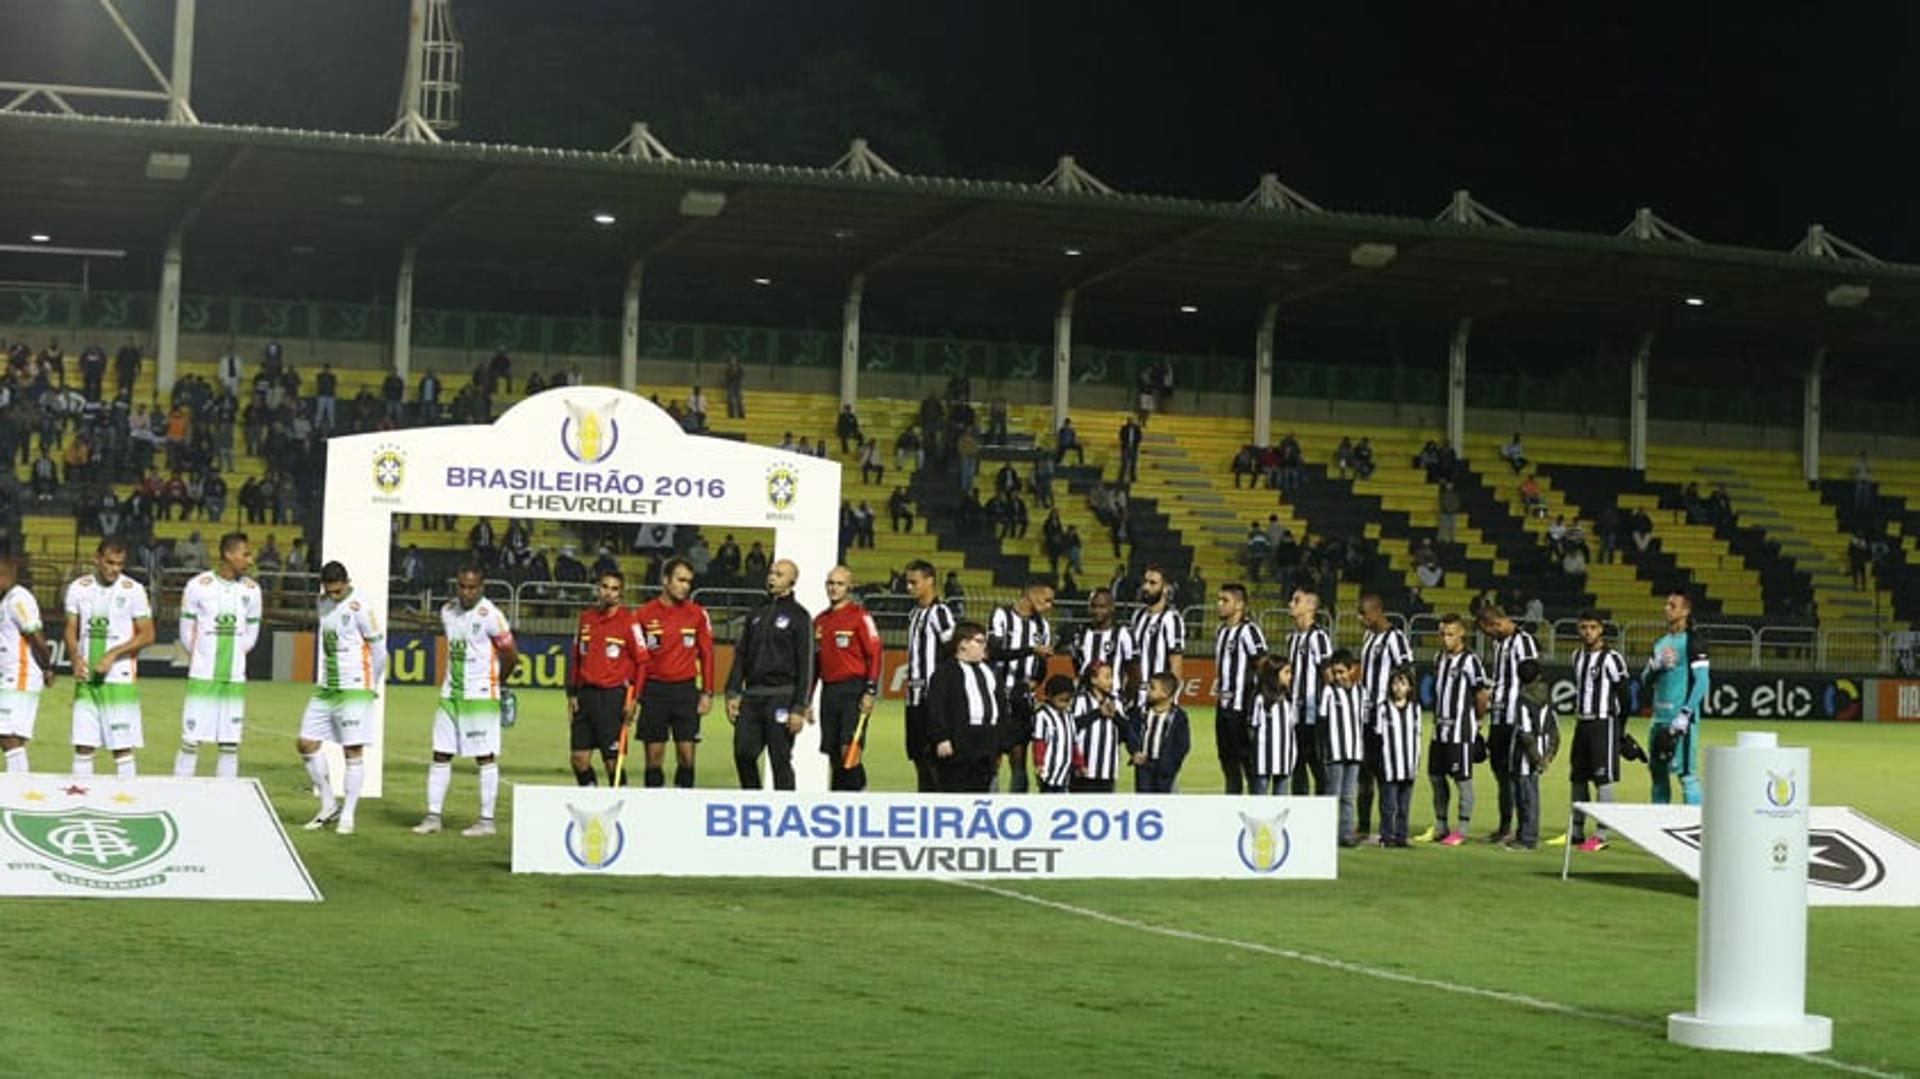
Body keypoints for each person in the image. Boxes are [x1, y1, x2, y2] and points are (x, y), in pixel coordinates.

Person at [412, 565, 519, 837]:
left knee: (484, 756)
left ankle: (486, 821)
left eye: (472, 587)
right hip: (450, 693)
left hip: (480, 694)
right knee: (440, 753)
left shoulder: (491, 615)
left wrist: (497, 682)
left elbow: (510, 654)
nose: (467, 591)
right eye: (462, 586)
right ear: (456, 585)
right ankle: (433, 817)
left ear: (481, 587)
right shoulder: (447, 611)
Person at [298, 561, 387, 834]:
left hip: (354, 687)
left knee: (352, 750)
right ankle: (328, 804)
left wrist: (372, 686)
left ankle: (348, 814)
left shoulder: (361, 607)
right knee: (305, 743)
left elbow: (379, 652)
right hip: (327, 686)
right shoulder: (322, 602)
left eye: (338, 591)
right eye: (330, 591)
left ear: (347, 582)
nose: (334, 596)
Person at [173, 532, 264, 778]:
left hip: (233, 678)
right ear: (228, 554)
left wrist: (235, 655)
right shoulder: (198, 586)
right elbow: (186, 632)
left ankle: (226, 800)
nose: (250, 560)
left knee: (229, 745)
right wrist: (204, 655)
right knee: (191, 741)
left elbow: (251, 635)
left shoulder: (252, 590)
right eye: (245, 554)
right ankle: (179, 797)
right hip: (203, 677)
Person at [66, 537, 155, 778]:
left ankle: (127, 803)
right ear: (97, 559)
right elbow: (70, 629)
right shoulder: (79, 587)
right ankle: (82, 799)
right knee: (83, 747)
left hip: (119, 680)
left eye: (120, 564)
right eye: (110, 563)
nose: (115, 569)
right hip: (86, 681)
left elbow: (147, 635)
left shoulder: (133, 590)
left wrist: (112, 654)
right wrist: (75, 658)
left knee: (121, 748)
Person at [726, 559, 813, 790]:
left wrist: (798, 707)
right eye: (771, 572)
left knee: (780, 759)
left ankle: (785, 810)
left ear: (792, 582)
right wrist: (733, 691)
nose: (772, 577)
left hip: (782, 696)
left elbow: (806, 664)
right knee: (743, 753)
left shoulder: (799, 616)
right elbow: (741, 654)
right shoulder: (756, 613)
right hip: (752, 696)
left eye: (779, 574)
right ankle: (752, 800)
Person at [633, 558, 715, 789]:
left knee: (687, 755)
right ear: (665, 580)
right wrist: (635, 696)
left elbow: (707, 654)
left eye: (689, 581)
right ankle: (654, 806)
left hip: (686, 691)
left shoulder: (698, 614)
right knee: (654, 757)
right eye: (680, 580)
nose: (686, 586)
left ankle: (684, 807)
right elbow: (637, 660)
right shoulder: (643, 615)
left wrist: (707, 692)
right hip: (654, 691)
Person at [566, 569, 648, 787]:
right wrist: (572, 693)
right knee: (579, 759)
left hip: (612, 697)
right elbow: (576, 657)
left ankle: (621, 807)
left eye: (614, 589)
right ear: (597, 589)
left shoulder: (629, 622)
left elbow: (642, 662)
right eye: (604, 587)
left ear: (621, 593)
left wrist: (634, 700)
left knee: (613, 763)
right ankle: (593, 802)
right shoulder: (585, 619)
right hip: (585, 696)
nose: (608, 593)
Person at [1420, 614, 1487, 846]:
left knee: (1462, 779)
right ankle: (1440, 825)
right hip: (1439, 731)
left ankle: (1462, 829)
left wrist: (1478, 720)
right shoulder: (1439, 657)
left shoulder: (1470, 660)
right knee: (1435, 777)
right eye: (1442, 633)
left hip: (1460, 730)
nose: (1445, 638)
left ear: (1461, 634)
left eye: (1449, 634)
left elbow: (1481, 694)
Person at [1562, 610, 1627, 851]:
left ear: (1601, 629)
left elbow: (1624, 693)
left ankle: (1601, 835)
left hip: (1604, 723)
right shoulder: (1576, 655)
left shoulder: (1612, 658)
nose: (1587, 632)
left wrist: (1621, 727)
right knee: (1577, 778)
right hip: (1582, 723)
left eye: (1592, 627)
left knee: (1603, 779)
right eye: (1583, 627)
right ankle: (1577, 831)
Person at [813, 565, 882, 791]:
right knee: (833, 753)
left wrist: (870, 690)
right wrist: (807, 699)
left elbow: (875, 653)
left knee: (849, 750)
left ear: (849, 587)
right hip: (829, 691)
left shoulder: (860, 616)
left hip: (854, 690)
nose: (834, 588)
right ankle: (839, 801)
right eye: (830, 583)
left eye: (839, 584)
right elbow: (815, 663)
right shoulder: (820, 621)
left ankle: (860, 795)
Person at [1477, 603, 1538, 844]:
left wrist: (1529, 716)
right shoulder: (1499, 643)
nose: (1488, 636)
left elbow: (1532, 678)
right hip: (1499, 717)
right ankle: (1505, 827)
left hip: (1516, 717)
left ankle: (1525, 830)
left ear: (1495, 624)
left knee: (1519, 773)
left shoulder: (1524, 642)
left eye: (1487, 631)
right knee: (1501, 772)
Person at [987, 579, 1054, 793]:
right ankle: (990, 805)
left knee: (1019, 758)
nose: (1049, 606)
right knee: (993, 756)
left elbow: (1042, 665)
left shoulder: (1043, 626)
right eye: (1047, 600)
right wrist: (1031, 650)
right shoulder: (1001, 615)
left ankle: (1017, 807)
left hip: (1022, 700)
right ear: (1031, 595)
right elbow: (995, 652)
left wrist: (1035, 682)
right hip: (996, 697)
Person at [1356, 592, 1413, 843]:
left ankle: (1387, 828)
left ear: (1377, 611)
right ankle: (1364, 826)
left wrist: (1399, 708)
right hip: (1365, 715)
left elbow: (1407, 671)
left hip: (1385, 719)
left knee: (1384, 774)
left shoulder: (1396, 638)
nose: (1360, 619)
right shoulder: (1369, 636)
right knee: (1364, 772)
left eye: (1364, 613)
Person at [1643, 589, 1709, 806]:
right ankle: (1659, 830)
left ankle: (1694, 832)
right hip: (1658, 719)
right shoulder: (1660, 643)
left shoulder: (1694, 641)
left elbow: (1702, 682)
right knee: (1658, 776)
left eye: (1673, 605)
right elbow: (1645, 680)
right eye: (1666, 604)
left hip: (1681, 722)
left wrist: (1685, 714)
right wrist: (1655, 666)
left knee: (1687, 776)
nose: (1667, 609)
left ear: (1686, 611)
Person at [925, 621, 1001, 793]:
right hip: (960, 739)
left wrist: (999, 740)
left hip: (987, 738)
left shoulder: (988, 671)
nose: (984, 646)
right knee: (956, 788)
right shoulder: (945, 672)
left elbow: (999, 704)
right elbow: (936, 706)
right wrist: (941, 737)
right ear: (963, 644)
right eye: (979, 641)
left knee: (982, 790)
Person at [903, 559, 956, 792]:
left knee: (934, 759)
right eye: (908, 583)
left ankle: (936, 806)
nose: (909, 588)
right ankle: (923, 803)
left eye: (914, 582)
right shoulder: (914, 613)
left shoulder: (940, 612)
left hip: (932, 700)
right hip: (913, 698)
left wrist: (944, 692)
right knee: (917, 755)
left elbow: (953, 651)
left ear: (929, 581)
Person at [0, 556, 55, 772]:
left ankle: (19, 788)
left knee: (7, 736)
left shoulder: (18, 599)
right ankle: (18, 786)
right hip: (11, 675)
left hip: (21, 674)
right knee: (12, 737)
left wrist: (47, 667)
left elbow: (37, 639)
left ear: (11, 570)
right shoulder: (6, 599)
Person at [1211, 583, 1266, 794]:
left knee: (1247, 763)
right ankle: (1233, 804)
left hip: (1242, 708)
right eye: (1218, 600)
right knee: (1227, 760)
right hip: (1223, 706)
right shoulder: (1221, 631)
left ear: (1240, 604)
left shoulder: (1249, 631)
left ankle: (1255, 805)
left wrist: (1257, 701)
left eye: (1225, 600)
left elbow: (1263, 665)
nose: (1219, 605)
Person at [1505, 659, 1557, 852]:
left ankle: (1527, 838)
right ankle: (1523, 834)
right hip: (1542, 748)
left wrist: (1537, 759)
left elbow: (1525, 734)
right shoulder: (1547, 696)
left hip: (1525, 757)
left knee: (1526, 796)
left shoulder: (1523, 699)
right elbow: (1554, 730)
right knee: (1528, 795)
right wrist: (1548, 756)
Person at [1315, 650, 1366, 846]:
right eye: (1335, 672)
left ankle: (1346, 834)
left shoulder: (1361, 692)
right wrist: (1322, 751)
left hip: (1355, 752)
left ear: (1352, 669)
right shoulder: (1329, 691)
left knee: (1348, 796)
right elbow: (1322, 722)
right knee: (1332, 795)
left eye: (1342, 671)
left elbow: (1364, 722)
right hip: (1334, 753)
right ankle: (1327, 835)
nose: (1338, 676)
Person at [1284, 587, 1332, 795]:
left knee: (1318, 765)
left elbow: (1328, 674)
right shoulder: (1293, 638)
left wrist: (1328, 710)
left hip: (1314, 714)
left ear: (1310, 606)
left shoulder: (1319, 637)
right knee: (1296, 764)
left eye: (1296, 600)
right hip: (1295, 713)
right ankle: (1300, 812)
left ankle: (1322, 812)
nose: (1290, 604)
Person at [1375, 667, 1422, 848]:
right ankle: (1386, 837)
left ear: (1410, 687)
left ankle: (1401, 837)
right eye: (1395, 683)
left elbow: (1417, 736)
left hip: (1409, 765)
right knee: (1388, 806)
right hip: (1390, 765)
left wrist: (1416, 762)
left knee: (1404, 806)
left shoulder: (1415, 709)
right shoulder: (1383, 708)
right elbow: (1379, 736)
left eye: (1402, 683)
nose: (1398, 687)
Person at [1127, 564, 1184, 705]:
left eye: (1153, 583)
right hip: (1136, 699)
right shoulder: (1138, 615)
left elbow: (1176, 665)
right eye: (1145, 582)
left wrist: (1170, 700)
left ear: (1165, 588)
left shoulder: (1171, 619)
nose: (1146, 587)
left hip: (1158, 700)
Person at [1069, 662, 1131, 793]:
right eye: (1107, 677)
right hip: (1082, 769)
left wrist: (1115, 716)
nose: (1111, 681)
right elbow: (1071, 727)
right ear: (1093, 680)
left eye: (1111, 677)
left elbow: (1126, 732)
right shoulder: (1080, 700)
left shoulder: (1117, 702)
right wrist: (1098, 713)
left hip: (1107, 770)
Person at [1129, 671, 1190, 793]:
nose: (1148, 691)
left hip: (1165, 770)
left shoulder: (1177, 716)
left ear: (1165, 693)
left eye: (1152, 688)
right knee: (1144, 800)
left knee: (1164, 801)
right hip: (1144, 767)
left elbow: (1183, 744)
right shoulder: (1142, 712)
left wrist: (1170, 765)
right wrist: (1134, 751)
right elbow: (1131, 733)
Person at [1248, 655, 1297, 796]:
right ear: (1274, 674)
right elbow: (1252, 728)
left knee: (1280, 802)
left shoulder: (1289, 700)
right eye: (1286, 672)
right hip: (1263, 761)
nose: (1290, 676)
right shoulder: (1260, 699)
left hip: (1284, 760)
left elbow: (1291, 729)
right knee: (1260, 802)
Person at [1030, 674, 1078, 793]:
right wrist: (1039, 763)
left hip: (1065, 769)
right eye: (1061, 699)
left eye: (1067, 700)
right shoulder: (1042, 715)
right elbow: (1039, 741)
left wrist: (1079, 763)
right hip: (1048, 769)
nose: (1065, 702)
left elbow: (1073, 743)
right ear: (1050, 695)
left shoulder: (1069, 716)